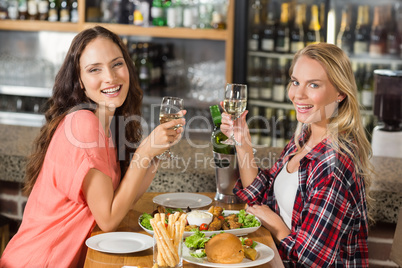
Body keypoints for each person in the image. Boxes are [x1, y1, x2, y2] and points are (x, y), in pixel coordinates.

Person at [0, 26, 185, 267]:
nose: (110, 77)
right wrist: (144, 151)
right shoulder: (82, 126)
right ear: (80, 81)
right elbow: (108, 220)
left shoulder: (106, 124)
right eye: (94, 69)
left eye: (117, 64)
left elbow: (121, 202)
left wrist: (155, 156)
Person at [221, 43, 373, 267]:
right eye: (295, 82)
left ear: (340, 93)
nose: (298, 94)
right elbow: (260, 198)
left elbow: (312, 260)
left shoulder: (333, 165)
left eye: (313, 85)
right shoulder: (304, 139)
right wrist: (242, 143)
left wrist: (277, 225)